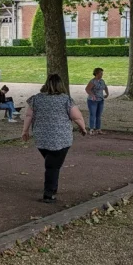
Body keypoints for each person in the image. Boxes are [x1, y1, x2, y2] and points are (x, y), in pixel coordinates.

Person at [22, 74, 87, 203]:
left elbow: (29, 115)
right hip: (61, 139)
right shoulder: (66, 100)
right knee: (52, 166)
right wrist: (83, 128)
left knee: (52, 162)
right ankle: (49, 194)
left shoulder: (36, 99)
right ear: (61, 85)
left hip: (42, 138)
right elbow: (77, 117)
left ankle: (52, 187)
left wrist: (25, 131)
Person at [85, 67, 109, 136]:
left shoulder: (102, 81)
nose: (102, 74)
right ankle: (91, 129)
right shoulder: (93, 81)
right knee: (93, 115)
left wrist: (107, 93)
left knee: (98, 115)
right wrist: (92, 95)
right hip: (92, 101)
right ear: (96, 73)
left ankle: (98, 129)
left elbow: (105, 87)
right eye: (101, 73)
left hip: (101, 100)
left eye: (102, 73)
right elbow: (87, 89)